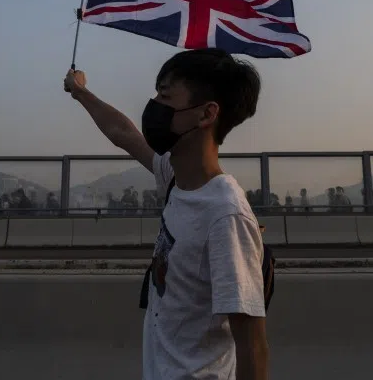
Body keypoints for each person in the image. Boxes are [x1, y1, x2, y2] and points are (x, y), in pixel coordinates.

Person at [64, 48, 269, 380]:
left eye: (165, 96)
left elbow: (253, 345)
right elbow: (124, 133)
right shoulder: (175, 176)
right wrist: (81, 92)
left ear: (206, 115)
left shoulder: (225, 215)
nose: (153, 107)